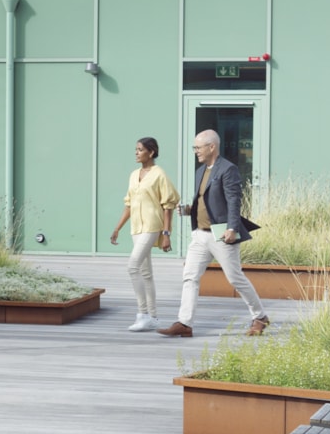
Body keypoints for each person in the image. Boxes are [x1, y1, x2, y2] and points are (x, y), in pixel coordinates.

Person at [158, 130, 269, 338]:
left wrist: (232, 228)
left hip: (221, 234)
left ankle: (260, 316)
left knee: (235, 278)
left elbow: (234, 200)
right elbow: (207, 199)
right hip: (199, 235)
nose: (195, 151)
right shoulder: (201, 171)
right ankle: (185, 323)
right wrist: (191, 209)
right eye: (194, 148)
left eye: (198, 147)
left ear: (212, 147)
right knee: (190, 277)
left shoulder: (228, 169)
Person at [109, 137, 179, 332]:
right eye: (136, 149)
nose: (136, 153)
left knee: (133, 266)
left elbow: (168, 206)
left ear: (152, 152)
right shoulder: (133, 175)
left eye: (140, 150)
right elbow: (129, 204)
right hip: (136, 228)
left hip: (152, 226)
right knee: (146, 273)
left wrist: (166, 233)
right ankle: (153, 317)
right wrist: (117, 228)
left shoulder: (159, 175)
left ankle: (142, 314)